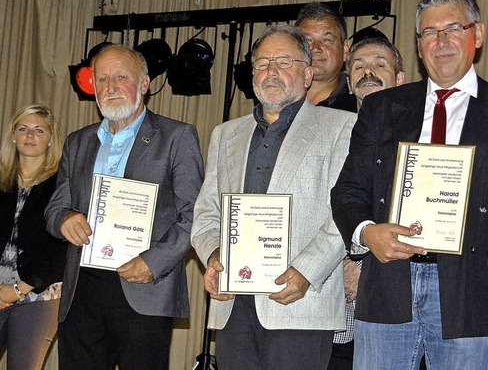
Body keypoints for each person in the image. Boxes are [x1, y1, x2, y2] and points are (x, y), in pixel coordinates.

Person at [330, 0, 488, 369]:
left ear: (477, 34)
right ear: (418, 45)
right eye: (430, 32)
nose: (441, 41)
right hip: (388, 287)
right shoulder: (382, 108)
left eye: (453, 29)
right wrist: (368, 234)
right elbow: (348, 191)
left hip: (471, 294)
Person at [191, 24, 356, 370]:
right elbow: (206, 213)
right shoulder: (225, 134)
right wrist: (215, 257)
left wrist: (307, 272)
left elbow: (345, 211)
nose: (272, 72)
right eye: (263, 63)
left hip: (300, 302)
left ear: (308, 74)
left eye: (284, 62)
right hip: (233, 304)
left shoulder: (341, 126)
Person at [45, 44, 204, 369]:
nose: (111, 87)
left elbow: (195, 215)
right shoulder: (78, 141)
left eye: (121, 77)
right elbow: (54, 209)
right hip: (82, 289)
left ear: (144, 84)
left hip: (143, 284)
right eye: (102, 79)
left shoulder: (176, 137)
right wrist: (64, 218)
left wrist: (154, 262)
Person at [329, 35, 406, 370]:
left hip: (395, 294)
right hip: (329, 298)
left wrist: (362, 265)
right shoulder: (326, 135)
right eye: (358, 67)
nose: (367, 73)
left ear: (400, 79)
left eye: (379, 65)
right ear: (348, 82)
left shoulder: (422, 135)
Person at [0, 104, 66, 370]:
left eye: (39, 130)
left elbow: (65, 247)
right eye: (23, 128)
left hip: (38, 296)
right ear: (13, 135)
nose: (30, 135)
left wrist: (18, 289)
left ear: (50, 139)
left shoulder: (64, 185)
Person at [295, 2, 357, 112]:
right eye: (308, 40)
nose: (315, 48)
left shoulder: (359, 106)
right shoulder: (279, 99)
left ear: (345, 49)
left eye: (326, 40)